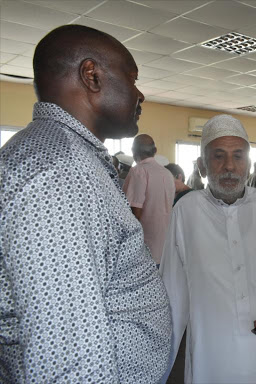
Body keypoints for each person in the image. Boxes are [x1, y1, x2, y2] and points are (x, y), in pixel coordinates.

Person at [0, 25, 172, 382]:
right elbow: (66, 360)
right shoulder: (57, 172)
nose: (141, 94)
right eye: (132, 78)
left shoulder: (69, 157)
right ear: (91, 76)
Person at [159, 114, 256, 383]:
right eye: (218, 156)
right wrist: (158, 367)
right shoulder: (186, 211)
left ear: (249, 164)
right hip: (213, 356)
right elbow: (172, 295)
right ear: (202, 165)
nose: (229, 166)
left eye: (238, 156)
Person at [123, 134, 175, 265]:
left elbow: (135, 211)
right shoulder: (168, 174)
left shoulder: (139, 171)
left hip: (146, 246)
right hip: (165, 246)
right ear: (155, 151)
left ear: (133, 152)